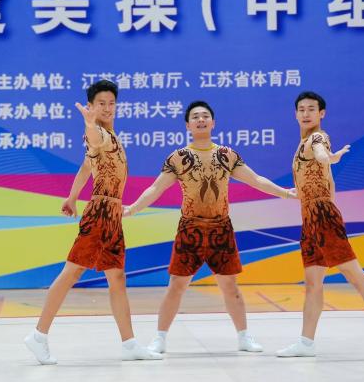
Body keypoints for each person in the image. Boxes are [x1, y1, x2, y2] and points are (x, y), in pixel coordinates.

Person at [124, 100, 295, 354]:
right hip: (190, 230)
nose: (201, 120)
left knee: (230, 287)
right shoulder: (178, 158)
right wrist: (132, 209)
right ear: (188, 125)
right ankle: (159, 338)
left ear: (213, 123)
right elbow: (156, 188)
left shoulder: (226, 155)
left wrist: (286, 193)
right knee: (176, 286)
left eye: (205, 116)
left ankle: (244, 337)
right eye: (195, 117)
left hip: (221, 230)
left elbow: (256, 180)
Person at [24, 80, 162, 364]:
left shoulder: (110, 134)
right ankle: (38, 336)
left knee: (117, 278)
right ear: (91, 107)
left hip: (113, 215)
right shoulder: (98, 134)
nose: (108, 108)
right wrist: (89, 123)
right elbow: (94, 138)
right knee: (72, 272)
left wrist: (72, 197)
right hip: (99, 214)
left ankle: (129, 343)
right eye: (101, 104)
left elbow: (87, 166)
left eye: (111, 103)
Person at [276, 91, 364, 359]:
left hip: (322, 217)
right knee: (313, 282)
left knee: (354, 274)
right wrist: (310, 196)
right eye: (301, 109)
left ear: (321, 113)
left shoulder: (317, 138)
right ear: (295, 114)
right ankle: (306, 343)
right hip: (311, 218)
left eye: (312, 109)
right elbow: (329, 181)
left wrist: (330, 158)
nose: (306, 113)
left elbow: (323, 155)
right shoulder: (302, 144)